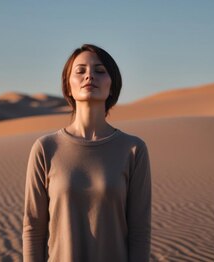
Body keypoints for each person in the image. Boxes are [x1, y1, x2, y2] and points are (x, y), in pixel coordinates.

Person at [23, 44, 152, 262]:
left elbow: (140, 231)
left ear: (112, 86)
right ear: (68, 86)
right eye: (80, 71)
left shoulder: (133, 149)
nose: (89, 76)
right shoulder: (45, 148)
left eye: (100, 71)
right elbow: (33, 228)